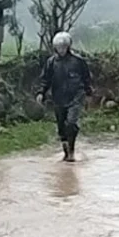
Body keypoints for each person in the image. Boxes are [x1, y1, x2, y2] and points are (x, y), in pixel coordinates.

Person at [37, 31, 93, 163]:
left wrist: (88, 93)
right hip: (58, 97)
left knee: (71, 123)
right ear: (55, 48)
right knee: (61, 126)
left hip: (75, 96)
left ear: (68, 46)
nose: (61, 49)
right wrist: (41, 92)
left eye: (64, 46)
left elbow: (86, 78)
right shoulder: (51, 62)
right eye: (59, 47)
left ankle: (72, 151)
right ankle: (66, 152)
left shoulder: (78, 61)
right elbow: (45, 79)